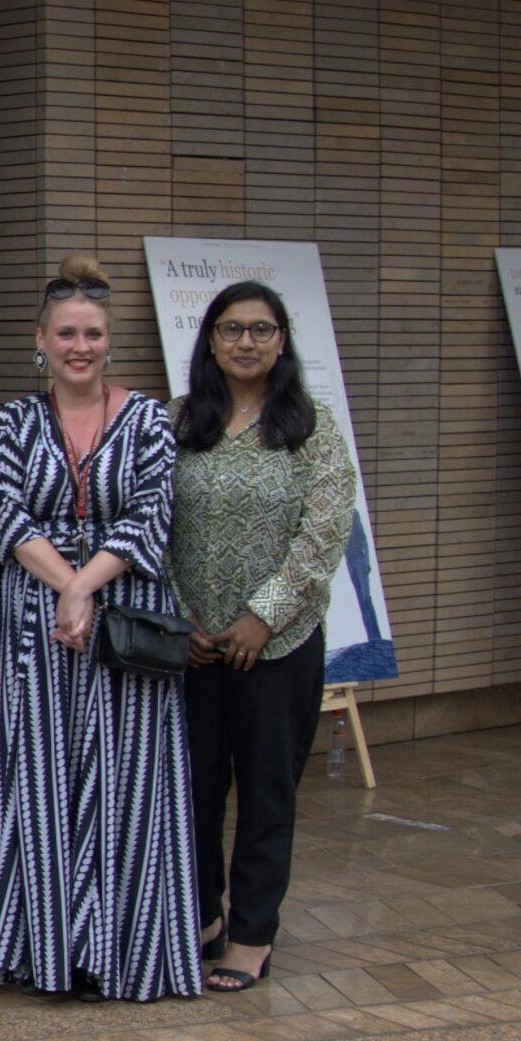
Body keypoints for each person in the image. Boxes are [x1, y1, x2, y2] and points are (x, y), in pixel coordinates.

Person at [0, 254, 199, 1003]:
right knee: (32, 784)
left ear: (110, 339)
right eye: (66, 333)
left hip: (124, 617)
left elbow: (152, 516)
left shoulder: (152, 418)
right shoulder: (15, 421)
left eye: (92, 333)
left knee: (124, 787)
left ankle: (117, 953)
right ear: (41, 338)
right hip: (32, 625)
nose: (80, 347)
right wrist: (66, 588)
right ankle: (36, 953)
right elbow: (6, 517)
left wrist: (87, 585)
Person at [170, 281, 355, 993]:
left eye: (261, 329)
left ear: (282, 341)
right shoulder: (180, 419)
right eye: (230, 329)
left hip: (276, 646)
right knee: (193, 791)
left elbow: (323, 534)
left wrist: (263, 614)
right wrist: (180, 613)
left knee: (266, 793)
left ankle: (251, 933)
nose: (245, 342)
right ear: (210, 340)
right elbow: (151, 519)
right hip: (192, 645)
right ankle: (204, 916)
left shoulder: (311, 427)